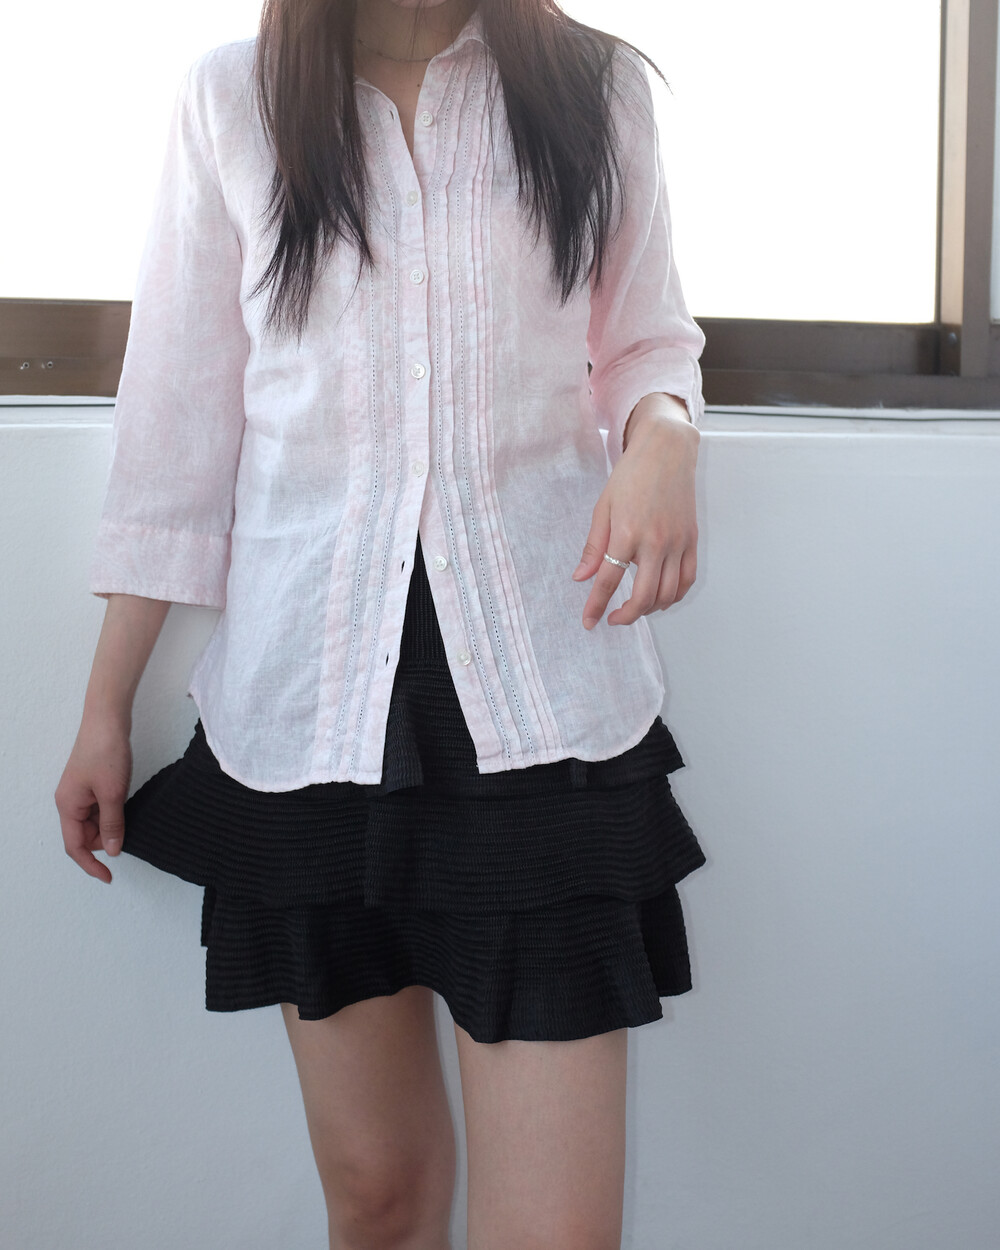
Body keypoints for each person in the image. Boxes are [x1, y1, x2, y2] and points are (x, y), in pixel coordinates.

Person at [55, 0, 708, 1245]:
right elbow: (178, 427)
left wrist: (665, 435)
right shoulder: (233, 98)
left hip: (540, 705)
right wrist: (105, 707)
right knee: (380, 1197)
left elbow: (644, 340)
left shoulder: (594, 89)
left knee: (558, 1232)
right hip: (310, 712)